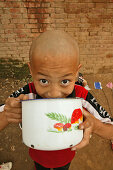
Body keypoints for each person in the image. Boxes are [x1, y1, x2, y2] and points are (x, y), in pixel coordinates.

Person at [1, 30, 113, 170]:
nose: (54, 93)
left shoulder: (82, 97)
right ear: (31, 70)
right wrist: (8, 113)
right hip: (37, 157)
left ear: (76, 72)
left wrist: (95, 125)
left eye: (65, 81)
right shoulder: (25, 96)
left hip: (66, 158)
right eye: (43, 80)